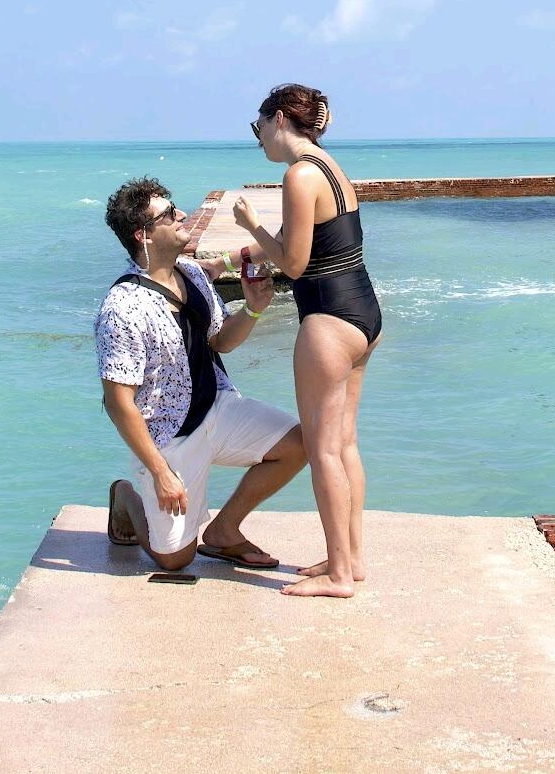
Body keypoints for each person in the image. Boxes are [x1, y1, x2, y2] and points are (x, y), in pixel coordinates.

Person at [94, 177, 307, 572]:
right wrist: (160, 472)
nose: (183, 216)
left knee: (299, 444)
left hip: (218, 406)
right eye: (170, 214)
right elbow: (118, 403)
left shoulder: (191, 274)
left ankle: (224, 531)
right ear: (143, 234)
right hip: (170, 437)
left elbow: (220, 342)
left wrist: (254, 308)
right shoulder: (121, 308)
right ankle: (126, 495)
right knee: (174, 559)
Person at [232, 84, 382, 599]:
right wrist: (227, 260)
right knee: (345, 444)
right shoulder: (330, 167)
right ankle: (351, 560)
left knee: (321, 451)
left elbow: (292, 264)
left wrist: (251, 223)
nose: (259, 141)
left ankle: (340, 577)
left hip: (327, 319)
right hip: (363, 310)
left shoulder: (298, 174)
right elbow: (316, 243)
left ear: (277, 121)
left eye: (258, 130)